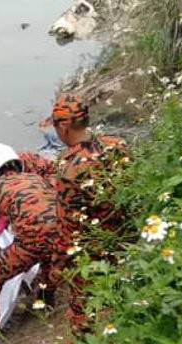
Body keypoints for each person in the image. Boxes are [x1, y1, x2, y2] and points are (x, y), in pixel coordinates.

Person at [0, 145, 64, 344]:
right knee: (48, 256)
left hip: (30, 242)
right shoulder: (36, 178)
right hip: (62, 236)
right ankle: (46, 297)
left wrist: (1, 256)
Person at [47, 93, 127, 331]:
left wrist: (58, 266)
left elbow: (67, 227)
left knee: (83, 315)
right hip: (125, 241)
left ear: (64, 126)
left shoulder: (70, 167)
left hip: (92, 252)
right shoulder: (117, 146)